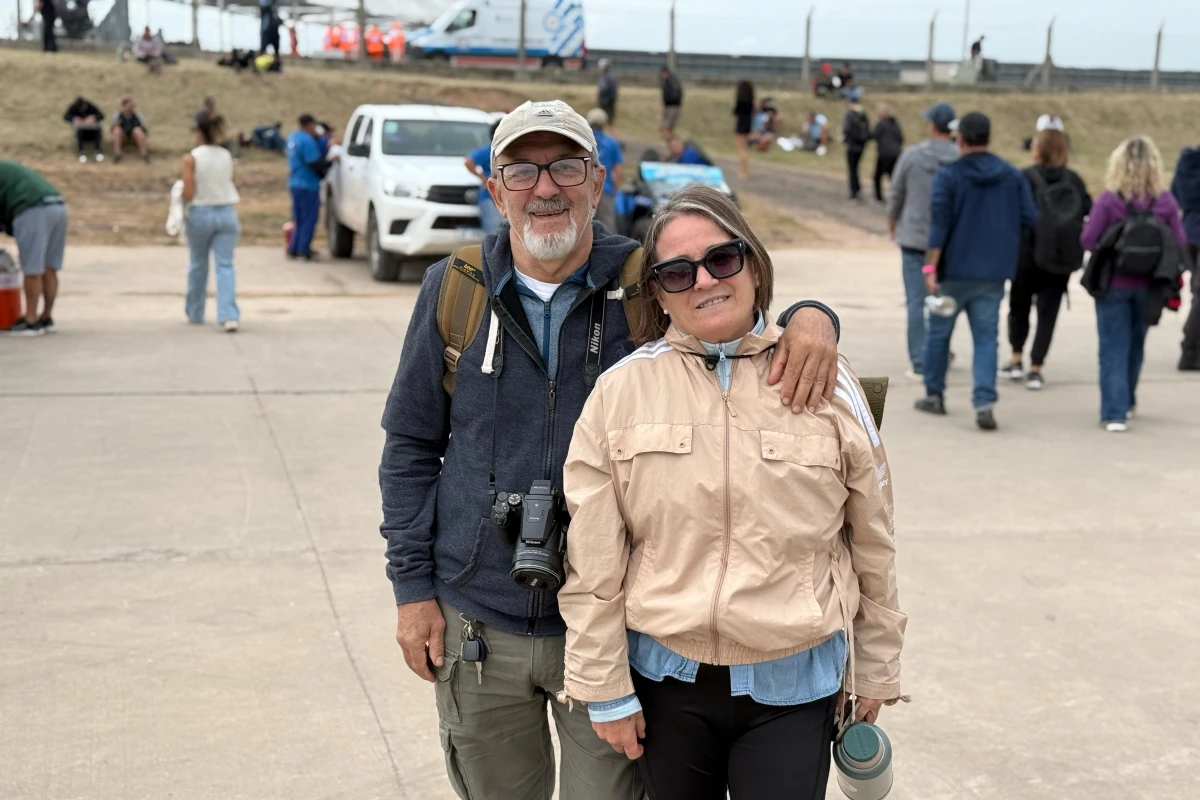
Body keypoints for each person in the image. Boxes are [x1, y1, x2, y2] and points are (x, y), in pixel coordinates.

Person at [378, 98, 844, 800]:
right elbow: (411, 447)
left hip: (607, 629)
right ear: (494, 188)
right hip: (476, 622)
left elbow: (730, 308)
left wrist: (812, 317)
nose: (544, 188)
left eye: (565, 167)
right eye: (522, 170)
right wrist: (412, 591)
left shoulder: (644, 285)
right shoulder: (457, 290)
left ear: (597, 183)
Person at [558, 185, 905, 800]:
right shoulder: (620, 392)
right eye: (678, 271)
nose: (704, 281)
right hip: (665, 684)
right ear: (659, 292)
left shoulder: (828, 380)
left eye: (723, 258)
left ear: (754, 264)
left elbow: (873, 540)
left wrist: (877, 664)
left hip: (795, 687)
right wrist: (603, 685)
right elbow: (593, 560)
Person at [916, 111, 1038, 431]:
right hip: (994, 271)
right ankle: (984, 402)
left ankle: (935, 394)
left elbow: (939, 223)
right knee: (986, 338)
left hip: (953, 271)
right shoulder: (1012, 175)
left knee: (939, 333)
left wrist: (930, 266)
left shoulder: (949, 175)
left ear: (961, 139)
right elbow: (1030, 218)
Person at [1081, 136, 1189, 432]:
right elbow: (1179, 242)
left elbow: (1088, 240)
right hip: (1150, 286)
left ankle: (1114, 413)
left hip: (1113, 283)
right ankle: (1127, 399)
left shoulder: (1110, 199)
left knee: (1112, 346)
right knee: (1135, 344)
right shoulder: (1165, 201)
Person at [1000, 129, 1091, 390]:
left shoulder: (1023, 177)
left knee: (1019, 306)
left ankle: (1016, 358)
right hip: (1060, 255)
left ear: (1039, 148)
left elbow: (1010, 213)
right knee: (1048, 311)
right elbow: (1087, 211)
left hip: (1026, 253)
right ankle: (1037, 367)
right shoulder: (1074, 180)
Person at [887, 102, 958, 381]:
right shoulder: (959, 157)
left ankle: (918, 361)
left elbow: (896, 193)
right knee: (944, 301)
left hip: (915, 237)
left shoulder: (912, 156)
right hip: (948, 243)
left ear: (931, 126)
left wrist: (893, 223)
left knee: (916, 302)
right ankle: (941, 352)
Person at [182, 113, 241, 333]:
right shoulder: (226, 155)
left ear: (199, 133)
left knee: (198, 264)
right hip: (226, 210)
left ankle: (195, 311)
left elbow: (189, 192)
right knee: (225, 265)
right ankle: (228, 315)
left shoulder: (191, 158)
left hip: (201, 211)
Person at [0, 160, 68, 337]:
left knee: (32, 269)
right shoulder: (6, 168)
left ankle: (30, 321)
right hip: (57, 204)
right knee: (49, 267)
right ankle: (46, 318)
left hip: (32, 208)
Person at [285, 114, 334, 260]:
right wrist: (330, 162)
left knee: (298, 217)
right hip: (308, 184)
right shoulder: (307, 141)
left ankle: (293, 247)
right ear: (310, 125)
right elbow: (314, 162)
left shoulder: (292, 138)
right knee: (309, 218)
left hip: (294, 182)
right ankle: (303, 249)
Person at [1169, 142, 1200, 370]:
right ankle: (1189, 347)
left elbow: (1175, 196)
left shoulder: (1187, 162)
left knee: (1197, 293)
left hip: (1188, 233)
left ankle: (1193, 346)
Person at [464, 119, 503, 235]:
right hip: (489, 196)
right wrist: (483, 178)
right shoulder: (491, 150)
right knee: (494, 231)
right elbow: (468, 161)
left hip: (502, 195)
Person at [587, 108, 623, 232]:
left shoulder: (585, 141)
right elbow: (618, 170)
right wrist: (615, 191)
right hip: (606, 190)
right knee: (608, 225)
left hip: (586, 188)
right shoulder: (612, 143)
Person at [872, 103, 903, 203]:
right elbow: (900, 138)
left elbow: (874, 135)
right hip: (896, 153)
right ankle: (896, 197)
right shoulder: (895, 123)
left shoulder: (881, 123)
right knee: (893, 177)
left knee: (877, 176)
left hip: (884, 154)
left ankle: (879, 197)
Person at [841, 96, 870, 201]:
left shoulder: (849, 114)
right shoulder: (862, 112)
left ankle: (854, 191)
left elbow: (847, 128)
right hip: (861, 145)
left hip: (852, 145)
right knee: (857, 167)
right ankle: (858, 188)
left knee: (852, 169)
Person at [63, 97, 104, 163]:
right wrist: (74, 118)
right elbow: (66, 116)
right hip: (81, 131)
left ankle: (97, 151)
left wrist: (93, 117)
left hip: (92, 131)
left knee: (98, 129)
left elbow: (101, 115)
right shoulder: (74, 107)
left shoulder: (90, 106)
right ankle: (81, 152)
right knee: (79, 130)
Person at [111, 97, 150, 164]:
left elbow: (144, 130)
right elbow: (112, 129)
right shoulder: (117, 115)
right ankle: (117, 154)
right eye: (128, 105)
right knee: (117, 130)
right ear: (124, 106)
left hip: (134, 137)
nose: (130, 107)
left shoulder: (138, 116)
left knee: (137, 130)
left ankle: (144, 155)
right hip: (123, 137)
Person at [732, 80, 754, 178]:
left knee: (741, 148)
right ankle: (744, 169)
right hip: (748, 124)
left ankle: (744, 170)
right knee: (744, 148)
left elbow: (735, 111)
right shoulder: (750, 100)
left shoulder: (740, 100)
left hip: (740, 125)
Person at [659, 66, 683, 138]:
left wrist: (665, 106)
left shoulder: (667, 82)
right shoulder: (675, 80)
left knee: (665, 125)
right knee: (671, 126)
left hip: (670, 106)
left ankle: (668, 140)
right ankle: (671, 138)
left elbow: (666, 95)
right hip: (677, 105)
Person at [597, 59, 619, 133]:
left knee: (602, 121)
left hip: (605, 102)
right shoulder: (612, 76)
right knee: (610, 122)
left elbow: (603, 88)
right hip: (611, 102)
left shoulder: (604, 77)